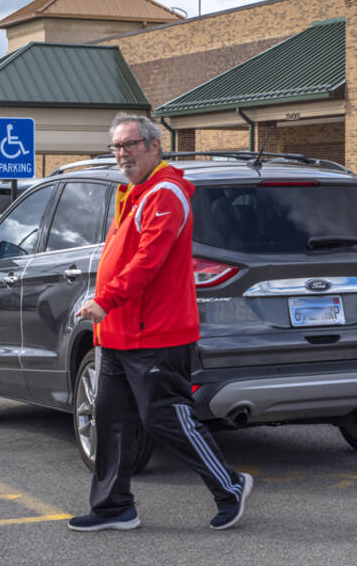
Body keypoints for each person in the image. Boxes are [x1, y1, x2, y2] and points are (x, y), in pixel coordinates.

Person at [67, 113, 251, 532]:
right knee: (111, 420)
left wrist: (107, 299)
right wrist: (106, 308)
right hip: (118, 332)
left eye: (129, 145)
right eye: (116, 147)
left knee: (165, 416)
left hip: (155, 332)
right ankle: (114, 506)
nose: (121, 154)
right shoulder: (133, 192)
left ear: (154, 146)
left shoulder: (165, 193)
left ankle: (231, 485)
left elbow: (148, 259)